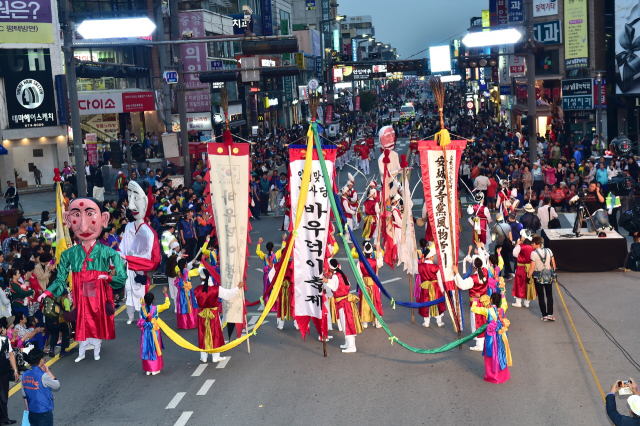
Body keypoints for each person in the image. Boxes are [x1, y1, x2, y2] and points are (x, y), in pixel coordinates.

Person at [38, 197, 127, 363]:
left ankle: (96, 350)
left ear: (104, 219)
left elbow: (121, 277)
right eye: (76, 216)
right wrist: (47, 293)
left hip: (99, 295)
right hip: (81, 296)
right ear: (68, 220)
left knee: (96, 321)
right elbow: (60, 279)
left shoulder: (108, 252)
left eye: (90, 215)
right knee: (81, 322)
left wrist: (107, 277)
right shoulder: (68, 254)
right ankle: (82, 351)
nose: (84, 225)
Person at [119, 181, 161, 325]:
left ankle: (143, 312)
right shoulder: (129, 227)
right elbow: (123, 246)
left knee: (141, 290)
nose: (131, 205)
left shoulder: (148, 232)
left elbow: (150, 254)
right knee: (129, 291)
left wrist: (132, 258)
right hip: (129, 266)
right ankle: (130, 315)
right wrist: (120, 258)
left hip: (139, 268)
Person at [194, 266, 241, 363]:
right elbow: (228, 294)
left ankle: (203, 356)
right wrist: (238, 287)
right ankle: (216, 356)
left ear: (201, 278)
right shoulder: (216, 289)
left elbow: (195, 302)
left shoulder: (196, 290)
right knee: (215, 334)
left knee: (203, 334)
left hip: (202, 315)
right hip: (213, 314)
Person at [470, 292, 512, 384]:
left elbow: (474, 309)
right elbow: (505, 304)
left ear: (491, 300)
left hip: (491, 336)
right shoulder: (502, 310)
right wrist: (503, 294)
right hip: (501, 335)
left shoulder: (487, 311)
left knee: (491, 354)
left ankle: (492, 375)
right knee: (501, 353)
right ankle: (502, 374)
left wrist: (476, 299)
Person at [323, 258, 361, 353]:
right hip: (345, 301)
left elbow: (334, 286)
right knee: (345, 323)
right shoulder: (341, 274)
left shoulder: (336, 276)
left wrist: (325, 280)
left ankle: (352, 346)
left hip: (343, 302)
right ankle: (348, 343)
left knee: (347, 324)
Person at [21, 348, 60, 425]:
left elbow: (24, 394)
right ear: (41, 360)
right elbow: (57, 385)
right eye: (43, 358)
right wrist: (48, 371)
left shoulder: (24, 374)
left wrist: (28, 408)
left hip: (32, 412)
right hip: (43, 412)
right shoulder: (43, 375)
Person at [138, 288, 170, 375]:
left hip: (145, 331)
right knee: (155, 346)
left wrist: (142, 300)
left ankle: (148, 369)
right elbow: (167, 305)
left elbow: (143, 304)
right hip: (154, 331)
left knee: (146, 347)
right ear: (153, 300)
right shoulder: (156, 308)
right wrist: (166, 294)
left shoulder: (142, 308)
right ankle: (155, 368)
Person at [416, 242, 446, 328]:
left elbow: (417, 273)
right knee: (437, 304)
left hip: (425, 288)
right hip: (435, 287)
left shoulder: (420, 266)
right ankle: (439, 321)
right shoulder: (436, 267)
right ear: (431, 257)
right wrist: (441, 289)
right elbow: (439, 279)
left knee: (426, 304)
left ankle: (426, 322)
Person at [528, 235, 556, 321]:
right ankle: (550, 314)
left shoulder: (533, 253)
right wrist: (553, 273)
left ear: (538, 244)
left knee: (541, 296)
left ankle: (544, 315)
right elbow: (553, 264)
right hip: (548, 276)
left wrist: (528, 277)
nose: (531, 244)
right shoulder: (549, 250)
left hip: (538, 276)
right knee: (549, 295)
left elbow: (532, 267)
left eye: (533, 243)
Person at [358, 241, 384, 329]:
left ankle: (364, 322)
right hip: (374, 283)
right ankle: (377, 322)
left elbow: (359, 275)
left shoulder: (360, 263)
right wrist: (379, 251)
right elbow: (381, 263)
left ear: (364, 252)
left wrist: (363, 285)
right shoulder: (375, 261)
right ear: (372, 253)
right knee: (375, 301)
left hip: (364, 283)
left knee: (365, 302)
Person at [0, 318, 18, 425]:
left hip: (4, 372)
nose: (6, 330)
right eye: (4, 328)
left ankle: (4, 418)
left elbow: (10, 355)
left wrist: (15, 370)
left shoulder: (5, 340)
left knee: (4, 396)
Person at [511, 232, 536, 308]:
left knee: (519, 284)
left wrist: (517, 245)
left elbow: (514, 254)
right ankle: (527, 302)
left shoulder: (521, 246)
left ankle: (518, 302)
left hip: (521, 267)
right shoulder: (533, 247)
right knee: (529, 283)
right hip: (530, 267)